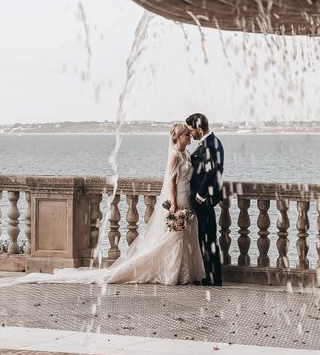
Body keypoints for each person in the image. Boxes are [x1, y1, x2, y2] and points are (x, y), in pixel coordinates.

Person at [19, 123, 205, 285]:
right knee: (174, 237)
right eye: (187, 134)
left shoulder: (185, 154)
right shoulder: (174, 156)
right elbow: (171, 182)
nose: (190, 137)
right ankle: (170, 272)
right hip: (178, 199)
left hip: (186, 196)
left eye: (189, 134)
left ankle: (181, 272)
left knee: (183, 236)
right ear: (178, 136)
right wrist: (173, 204)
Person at [186, 113, 225, 286]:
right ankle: (206, 275)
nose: (191, 133)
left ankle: (213, 278)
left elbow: (213, 172)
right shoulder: (207, 143)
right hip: (202, 198)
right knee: (203, 236)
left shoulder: (211, 144)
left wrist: (201, 195)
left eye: (191, 130)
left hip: (205, 199)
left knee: (208, 237)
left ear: (199, 129)